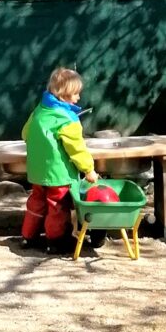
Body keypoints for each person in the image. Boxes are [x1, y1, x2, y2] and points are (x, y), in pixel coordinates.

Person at [21, 65, 98, 248]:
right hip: (58, 173)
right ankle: (56, 240)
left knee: (37, 202)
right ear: (64, 95)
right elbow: (77, 149)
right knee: (57, 205)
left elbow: (25, 133)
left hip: (38, 171)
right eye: (75, 94)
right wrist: (89, 170)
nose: (78, 97)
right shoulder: (67, 119)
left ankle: (28, 236)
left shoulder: (40, 111)